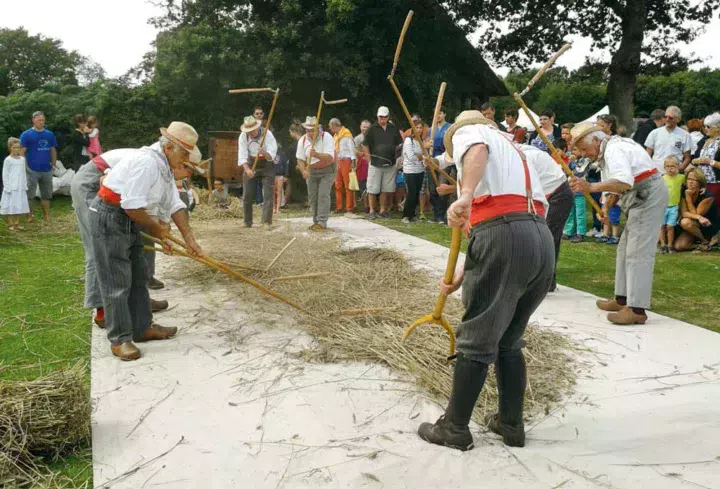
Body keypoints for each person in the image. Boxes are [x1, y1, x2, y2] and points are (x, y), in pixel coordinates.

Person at [416, 111, 553, 451]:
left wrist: (464, 194)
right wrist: (468, 271)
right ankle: (510, 424)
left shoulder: (472, 133)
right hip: (539, 238)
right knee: (509, 337)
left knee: (477, 337)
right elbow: (517, 211)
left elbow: (475, 150)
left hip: (504, 234)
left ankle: (455, 428)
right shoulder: (517, 149)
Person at [89, 122, 203, 361]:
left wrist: (189, 238)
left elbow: (174, 205)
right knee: (116, 280)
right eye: (185, 153)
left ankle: (142, 328)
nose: (186, 159)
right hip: (110, 216)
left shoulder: (165, 167)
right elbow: (131, 205)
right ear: (169, 147)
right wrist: (160, 231)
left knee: (139, 275)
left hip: (128, 216)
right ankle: (120, 339)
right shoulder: (147, 163)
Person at [570, 122, 668, 325]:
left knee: (638, 252)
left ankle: (637, 309)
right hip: (640, 195)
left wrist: (590, 186)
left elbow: (624, 182)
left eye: (585, 149)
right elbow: (615, 187)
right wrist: (605, 209)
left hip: (647, 195)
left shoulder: (614, 150)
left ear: (596, 140)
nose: (584, 154)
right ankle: (622, 299)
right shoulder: (608, 150)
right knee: (624, 249)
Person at [518, 143, 571, 292]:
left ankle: (545, 282)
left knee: (547, 239)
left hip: (557, 195)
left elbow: (529, 187)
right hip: (547, 194)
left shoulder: (524, 156)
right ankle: (542, 280)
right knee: (543, 238)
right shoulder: (521, 153)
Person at [361, 106, 403, 219]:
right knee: (372, 188)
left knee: (386, 188)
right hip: (375, 163)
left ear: (388, 116)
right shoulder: (372, 128)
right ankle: (371, 210)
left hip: (390, 162)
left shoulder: (393, 128)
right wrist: (368, 158)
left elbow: (399, 143)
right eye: (381, 117)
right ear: (377, 116)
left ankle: (383, 210)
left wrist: (398, 157)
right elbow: (365, 144)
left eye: (384, 117)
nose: (382, 119)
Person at [238, 115, 277, 228]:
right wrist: (247, 169)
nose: (251, 132)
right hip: (250, 163)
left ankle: (266, 221)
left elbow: (272, 155)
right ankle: (247, 221)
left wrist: (264, 152)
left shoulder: (267, 134)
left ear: (257, 127)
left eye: (253, 130)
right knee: (247, 194)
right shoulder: (243, 136)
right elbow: (242, 155)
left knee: (268, 194)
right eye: (249, 131)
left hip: (267, 164)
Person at [296, 116, 335, 230]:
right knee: (312, 196)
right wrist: (303, 171)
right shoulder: (302, 140)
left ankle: (322, 222)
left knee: (323, 195)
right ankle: (315, 221)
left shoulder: (326, 137)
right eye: (308, 130)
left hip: (327, 169)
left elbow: (330, 158)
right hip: (311, 170)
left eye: (313, 130)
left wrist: (316, 155)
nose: (310, 133)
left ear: (318, 129)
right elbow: (300, 159)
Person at [20, 111, 57, 222]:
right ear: (33, 120)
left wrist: (53, 164)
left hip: (47, 169)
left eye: (43, 120)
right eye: (39, 120)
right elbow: (22, 151)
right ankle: (29, 215)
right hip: (32, 169)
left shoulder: (49, 134)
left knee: (46, 195)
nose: (41, 122)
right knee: (29, 195)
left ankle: (47, 216)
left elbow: (52, 149)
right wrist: (25, 167)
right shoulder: (26, 134)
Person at [673, 168, 719, 252]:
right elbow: (684, 213)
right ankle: (703, 245)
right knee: (679, 246)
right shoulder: (684, 191)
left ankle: (705, 241)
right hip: (692, 226)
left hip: (707, 226)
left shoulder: (708, 196)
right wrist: (699, 217)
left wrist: (688, 197)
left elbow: (695, 213)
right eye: (689, 179)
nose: (690, 182)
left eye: (694, 180)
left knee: (685, 222)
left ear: (700, 182)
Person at [645, 106, 693, 173]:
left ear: (678, 119)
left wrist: (679, 170)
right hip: (657, 174)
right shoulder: (654, 133)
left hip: (675, 175)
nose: (667, 119)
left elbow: (687, 158)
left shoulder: (685, 135)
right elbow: (647, 155)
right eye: (665, 117)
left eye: (671, 118)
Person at [401, 119, 427, 223]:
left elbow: (425, 155)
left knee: (417, 193)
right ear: (413, 128)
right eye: (417, 127)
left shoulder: (421, 141)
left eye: (421, 127)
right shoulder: (409, 140)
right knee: (411, 193)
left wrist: (421, 156)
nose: (419, 130)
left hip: (420, 170)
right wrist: (421, 157)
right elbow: (411, 156)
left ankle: (412, 214)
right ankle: (405, 215)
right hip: (410, 170)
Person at [1, 137, 30, 230]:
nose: (16, 149)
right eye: (14, 147)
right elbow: (5, 174)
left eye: (18, 147)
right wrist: (7, 187)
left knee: (19, 204)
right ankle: (10, 224)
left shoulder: (22, 159)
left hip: (20, 186)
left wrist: (25, 184)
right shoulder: (8, 160)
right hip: (11, 186)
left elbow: (23, 172)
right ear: (10, 148)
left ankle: (17, 223)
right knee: (11, 205)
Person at [658, 156, 685, 253]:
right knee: (661, 226)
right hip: (662, 206)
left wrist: (702, 186)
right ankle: (662, 245)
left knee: (670, 226)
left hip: (674, 206)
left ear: (678, 166)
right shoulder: (662, 178)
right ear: (664, 167)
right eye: (667, 166)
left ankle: (670, 245)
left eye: (673, 166)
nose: (670, 168)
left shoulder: (681, 178)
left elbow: (692, 180)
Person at [329, 118, 356, 213]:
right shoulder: (335, 136)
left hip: (346, 161)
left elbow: (351, 148)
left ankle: (349, 208)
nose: (330, 129)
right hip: (337, 161)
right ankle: (339, 207)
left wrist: (353, 160)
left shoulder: (346, 134)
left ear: (335, 126)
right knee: (338, 185)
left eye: (331, 127)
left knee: (348, 185)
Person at [563, 150, 590, 243]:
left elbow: (580, 172)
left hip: (580, 192)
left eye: (575, 150)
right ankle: (569, 231)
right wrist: (569, 163)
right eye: (572, 150)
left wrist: (573, 163)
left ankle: (580, 233)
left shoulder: (586, 160)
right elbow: (565, 172)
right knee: (570, 212)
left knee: (580, 213)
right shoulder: (571, 161)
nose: (573, 152)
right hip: (570, 190)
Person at [690, 113, 720, 196]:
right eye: (705, 126)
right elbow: (694, 157)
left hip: (715, 183)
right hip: (701, 182)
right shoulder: (704, 140)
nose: (705, 129)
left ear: (718, 128)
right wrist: (695, 161)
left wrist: (710, 161)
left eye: (708, 126)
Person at [354, 120, 371, 212]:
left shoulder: (372, 138)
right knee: (363, 184)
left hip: (371, 163)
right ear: (360, 127)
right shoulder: (357, 138)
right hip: (361, 164)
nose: (365, 129)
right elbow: (354, 150)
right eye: (363, 126)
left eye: (367, 127)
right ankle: (365, 205)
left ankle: (371, 205)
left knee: (371, 184)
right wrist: (362, 153)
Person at [273, 145, 289, 214]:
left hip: (280, 175)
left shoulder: (282, 153)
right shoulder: (270, 153)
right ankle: (273, 208)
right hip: (271, 175)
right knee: (272, 192)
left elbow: (286, 165)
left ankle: (278, 208)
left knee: (279, 192)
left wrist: (286, 175)